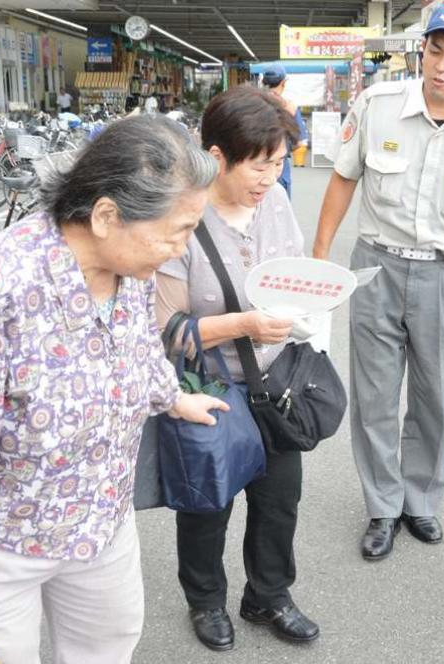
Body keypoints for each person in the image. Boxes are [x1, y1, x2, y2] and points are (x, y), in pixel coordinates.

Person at [0, 115, 227, 664]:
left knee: (107, 648)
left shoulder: (132, 270)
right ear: (106, 215)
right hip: (4, 541)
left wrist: (172, 396)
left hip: (101, 520)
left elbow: (138, 349)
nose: (181, 249)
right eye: (176, 230)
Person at [312, 2, 444, 561]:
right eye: (436, 51)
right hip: (376, 267)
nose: (442, 66)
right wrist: (318, 258)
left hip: (442, 274)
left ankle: (421, 501)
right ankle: (383, 507)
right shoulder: (376, 105)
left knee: (434, 396)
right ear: (422, 51)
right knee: (375, 396)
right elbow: (342, 180)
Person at [151, 85, 319, 652]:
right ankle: (205, 601)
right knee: (209, 501)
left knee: (279, 500)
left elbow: (292, 277)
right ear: (217, 157)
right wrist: (244, 324)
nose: (269, 177)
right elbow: (167, 328)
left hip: (274, 381)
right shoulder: (180, 217)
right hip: (210, 386)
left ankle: (268, 595)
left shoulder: (275, 202)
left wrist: (305, 311)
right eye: (258, 164)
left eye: (278, 163)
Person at [261, 63, 309, 198]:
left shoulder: (252, 104)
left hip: (252, 165)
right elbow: (300, 142)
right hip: (279, 167)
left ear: (264, 82)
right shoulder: (290, 107)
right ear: (283, 82)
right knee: (279, 210)